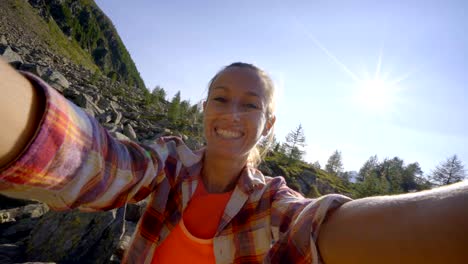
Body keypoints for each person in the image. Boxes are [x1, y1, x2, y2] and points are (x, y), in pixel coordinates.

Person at [0, 58, 467, 264]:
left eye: (250, 104)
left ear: (267, 124)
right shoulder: (169, 164)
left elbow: (313, 230)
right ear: (204, 110)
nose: (231, 112)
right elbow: (101, 162)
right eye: (220, 98)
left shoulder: (271, 203)